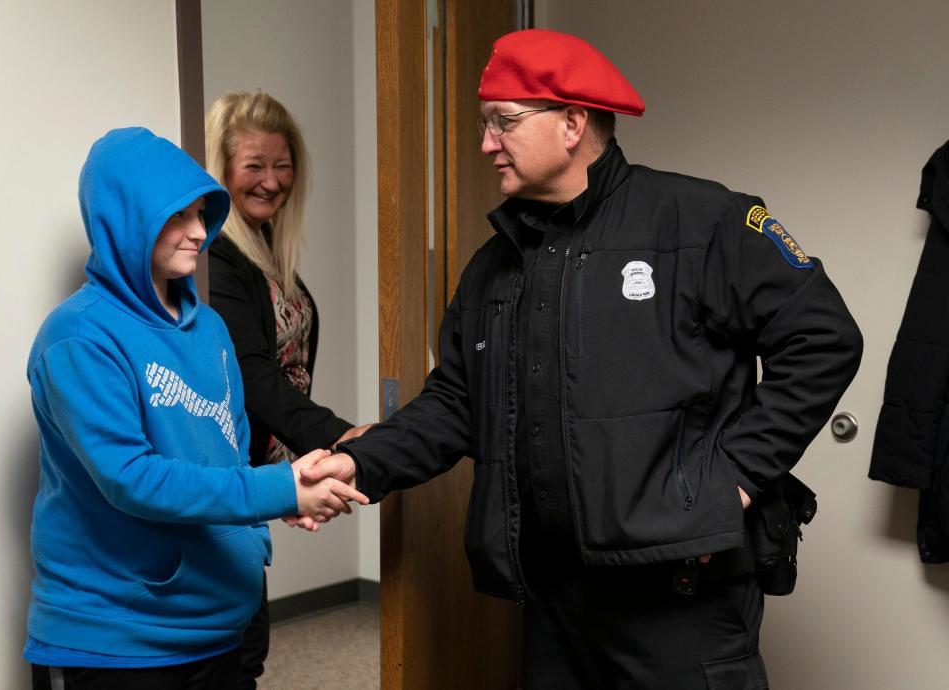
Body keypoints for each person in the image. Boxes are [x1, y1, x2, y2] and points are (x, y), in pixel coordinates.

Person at [301, 29, 864, 688]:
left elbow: (824, 337)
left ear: (572, 122)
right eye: (486, 124)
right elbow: (455, 404)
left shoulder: (699, 220)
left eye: (504, 122)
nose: (486, 143)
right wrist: (356, 462)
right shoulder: (493, 265)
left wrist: (735, 474)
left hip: (680, 596)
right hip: (554, 599)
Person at [24, 127, 366, 690]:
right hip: (118, 643)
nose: (199, 232)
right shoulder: (78, 337)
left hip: (217, 627)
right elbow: (131, 479)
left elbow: (226, 457)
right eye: (176, 217)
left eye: (202, 213)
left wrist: (271, 503)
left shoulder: (209, 326)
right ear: (126, 223)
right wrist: (279, 488)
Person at [203, 91, 371, 688]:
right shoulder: (215, 259)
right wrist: (339, 437)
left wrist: (295, 473)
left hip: (253, 479)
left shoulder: (265, 245)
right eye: (254, 165)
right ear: (220, 169)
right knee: (238, 648)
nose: (272, 181)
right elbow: (252, 376)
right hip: (221, 481)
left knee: (247, 648)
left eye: (283, 164)